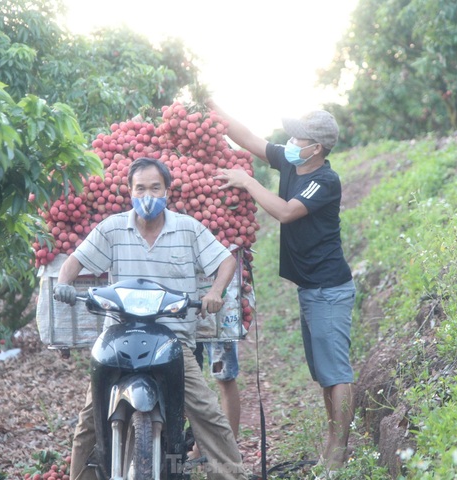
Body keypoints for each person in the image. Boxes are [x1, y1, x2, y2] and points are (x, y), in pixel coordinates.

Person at [53, 157, 247, 480]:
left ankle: (232, 476)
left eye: (155, 188)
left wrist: (215, 292)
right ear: (129, 191)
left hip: (172, 341)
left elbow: (226, 261)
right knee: (90, 417)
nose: (147, 195)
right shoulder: (113, 228)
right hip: (117, 338)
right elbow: (74, 261)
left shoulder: (187, 228)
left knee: (208, 413)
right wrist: (63, 284)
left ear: (167, 191)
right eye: (140, 188)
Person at [208, 100, 356, 473]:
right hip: (311, 288)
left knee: (336, 373)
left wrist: (248, 181)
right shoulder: (291, 161)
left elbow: (287, 211)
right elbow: (249, 139)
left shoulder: (325, 180)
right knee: (324, 374)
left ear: (316, 147)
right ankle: (330, 448)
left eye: (298, 137)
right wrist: (212, 108)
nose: (289, 141)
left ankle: (338, 455)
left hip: (328, 289)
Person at [187, 340, 241, 465]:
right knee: (186, 376)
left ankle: (228, 455)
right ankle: (198, 450)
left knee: (225, 376)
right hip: (184, 323)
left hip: (217, 322)